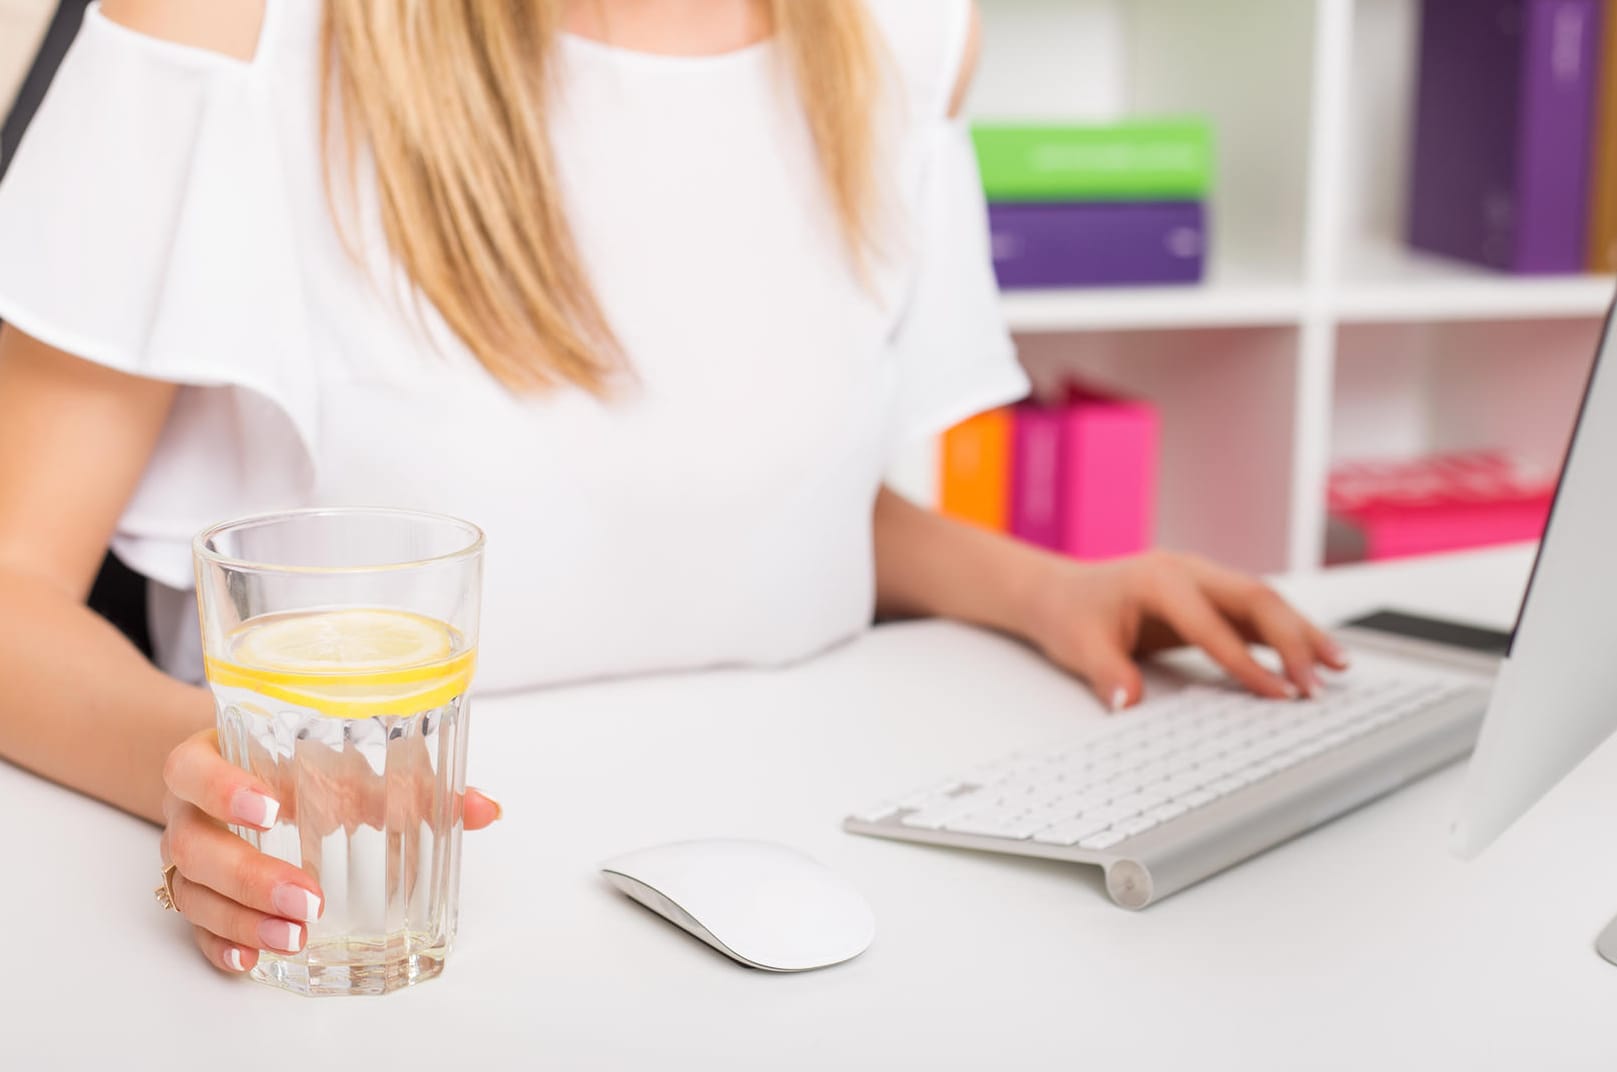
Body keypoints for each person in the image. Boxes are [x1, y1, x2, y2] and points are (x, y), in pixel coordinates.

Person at [0, 0, 1346, 975]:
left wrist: (1050, 588)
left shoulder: (908, 38)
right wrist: (200, 771)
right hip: (394, 920)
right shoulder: (221, 31)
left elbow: (740, 499)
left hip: (846, 879)